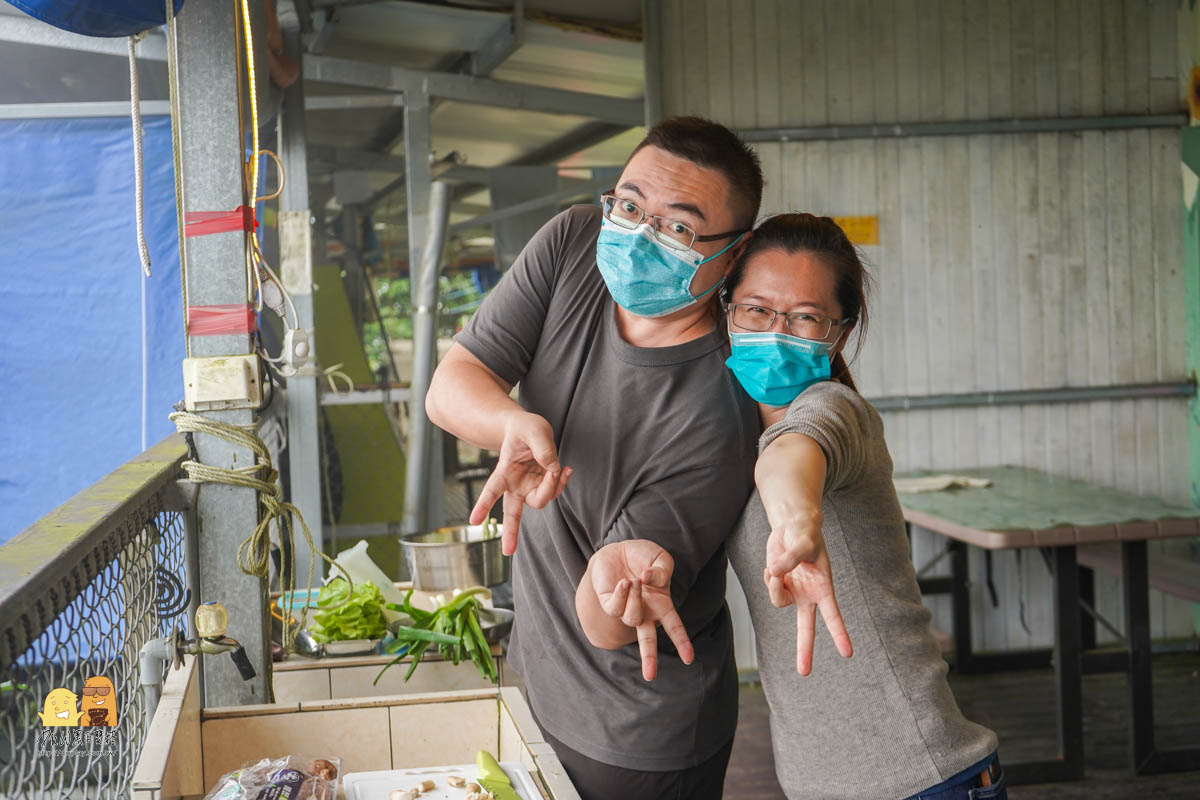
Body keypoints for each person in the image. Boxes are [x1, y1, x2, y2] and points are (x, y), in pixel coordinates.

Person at [584, 213, 1005, 800]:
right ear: (726, 311)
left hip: (921, 777)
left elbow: (793, 456)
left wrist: (797, 520)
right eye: (756, 309)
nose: (776, 330)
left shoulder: (838, 411)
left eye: (805, 316)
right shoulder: (719, 439)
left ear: (838, 332)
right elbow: (605, 625)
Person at [426, 117, 765, 800]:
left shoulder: (722, 404)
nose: (639, 236)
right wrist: (510, 421)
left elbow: (609, 625)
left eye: (677, 228)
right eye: (631, 206)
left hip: (635, 735)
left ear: (733, 254)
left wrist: (617, 575)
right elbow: (451, 384)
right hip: (537, 682)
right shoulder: (576, 242)